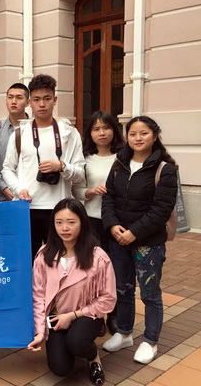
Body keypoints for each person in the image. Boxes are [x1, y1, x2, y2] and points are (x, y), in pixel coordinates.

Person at [101, 116, 178, 364]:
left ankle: (150, 340)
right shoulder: (119, 164)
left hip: (148, 243)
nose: (138, 138)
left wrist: (134, 232)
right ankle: (124, 332)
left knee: (149, 293)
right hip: (118, 239)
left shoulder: (165, 169)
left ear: (154, 136)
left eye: (143, 133)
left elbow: (161, 209)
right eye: (133, 133)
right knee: (122, 288)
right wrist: (112, 224)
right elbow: (108, 197)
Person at [28, 198, 116, 385]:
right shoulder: (44, 255)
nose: (64, 228)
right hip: (56, 318)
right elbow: (38, 296)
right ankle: (72, 343)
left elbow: (108, 298)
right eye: (59, 222)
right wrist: (40, 332)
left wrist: (73, 315)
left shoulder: (98, 257)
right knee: (60, 369)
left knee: (77, 343)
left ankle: (92, 356)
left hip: (85, 315)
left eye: (71, 222)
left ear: (83, 223)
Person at [2, 74, 85, 261]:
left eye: (47, 99)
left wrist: (61, 166)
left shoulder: (69, 132)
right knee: (26, 260)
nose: (42, 104)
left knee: (57, 261)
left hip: (60, 210)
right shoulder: (20, 133)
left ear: (55, 100)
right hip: (26, 207)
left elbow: (80, 174)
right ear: (29, 102)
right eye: (37, 99)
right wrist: (19, 190)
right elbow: (7, 169)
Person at [73, 111, 124, 335]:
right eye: (96, 129)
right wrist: (91, 192)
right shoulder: (84, 159)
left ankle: (115, 315)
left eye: (106, 127)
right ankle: (95, 316)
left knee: (116, 270)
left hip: (117, 222)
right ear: (90, 133)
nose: (101, 133)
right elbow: (76, 191)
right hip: (91, 220)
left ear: (114, 130)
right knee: (93, 271)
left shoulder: (124, 157)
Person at [0, 83, 29, 201]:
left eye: (19, 97)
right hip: (4, 195)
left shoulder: (35, 129)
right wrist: (5, 189)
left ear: (28, 102)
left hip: (30, 194)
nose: (13, 101)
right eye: (10, 97)